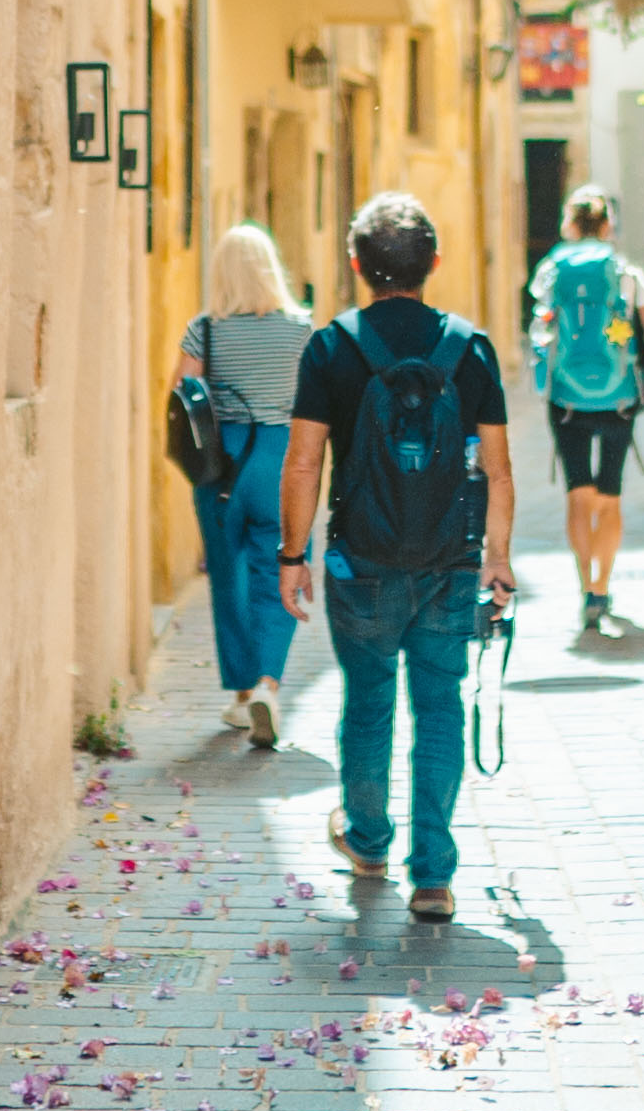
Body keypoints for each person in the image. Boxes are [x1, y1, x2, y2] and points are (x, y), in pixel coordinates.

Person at [278, 190, 514, 923]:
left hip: (362, 562)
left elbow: (303, 462)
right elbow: (499, 470)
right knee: (440, 704)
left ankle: (369, 839)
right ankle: (434, 877)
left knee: (370, 699)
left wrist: (294, 554)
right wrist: (497, 559)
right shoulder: (470, 349)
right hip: (450, 560)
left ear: (356, 265)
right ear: (434, 263)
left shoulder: (332, 347)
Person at [179, 224, 315, 746]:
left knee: (227, 573)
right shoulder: (301, 329)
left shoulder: (204, 329)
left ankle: (240, 694)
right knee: (281, 564)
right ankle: (268, 685)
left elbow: (181, 395)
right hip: (281, 458)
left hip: (222, 466)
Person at [528, 184, 644, 634]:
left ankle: (583, 587)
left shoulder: (551, 271)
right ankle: (603, 588)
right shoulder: (627, 272)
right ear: (608, 223)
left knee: (578, 497)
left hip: (567, 397)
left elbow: (540, 332)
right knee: (609, 498)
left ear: (569, 224)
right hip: (618, 398)